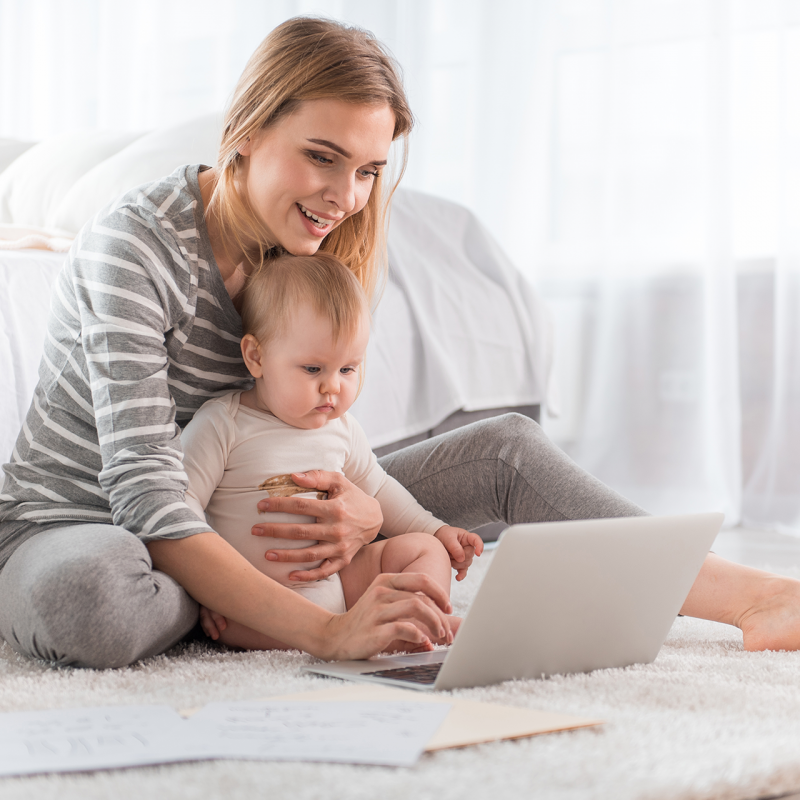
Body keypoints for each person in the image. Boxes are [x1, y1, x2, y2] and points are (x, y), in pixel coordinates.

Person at [0, 16, 799, 670]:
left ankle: (753, 595)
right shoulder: (133, 247)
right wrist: (327, 628)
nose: (344, 198)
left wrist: (363, 512)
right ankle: (265, 604)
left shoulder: (316, 250)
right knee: (93, 601)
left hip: (244, 503)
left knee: (504, 449)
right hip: (87, 520)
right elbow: (144, 495)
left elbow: (326, 432)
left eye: (368, 170)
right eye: (322, 157)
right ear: (244, 131)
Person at [181, 251, 482, 650]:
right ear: (256, 357)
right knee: (238, 618)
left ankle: (419, 617)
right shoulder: (223, 424)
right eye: (312, 369)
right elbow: (180, 510)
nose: (333, 387)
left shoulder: (342, 429)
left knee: (423, 551)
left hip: (340, 586)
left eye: (348, 369)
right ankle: (395, 632)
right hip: (258, 603)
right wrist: (205, 590)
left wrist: (437, 531)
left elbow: (378, 490)